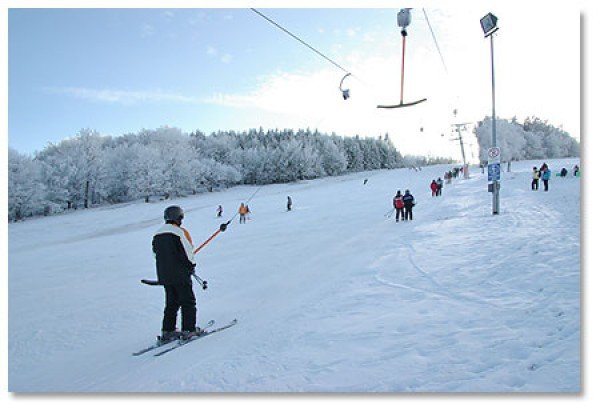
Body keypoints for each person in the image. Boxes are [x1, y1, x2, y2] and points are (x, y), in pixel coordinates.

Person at [153, 206, 203, 342]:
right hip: (180, 274)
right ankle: (189, 329)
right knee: (187, 301)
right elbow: (187, 252)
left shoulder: (157, 234)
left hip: (165, 275)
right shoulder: (178, 232)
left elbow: (156, 254)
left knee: (172, 302)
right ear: (179, 218)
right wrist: (191, 266)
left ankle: (168, 330)